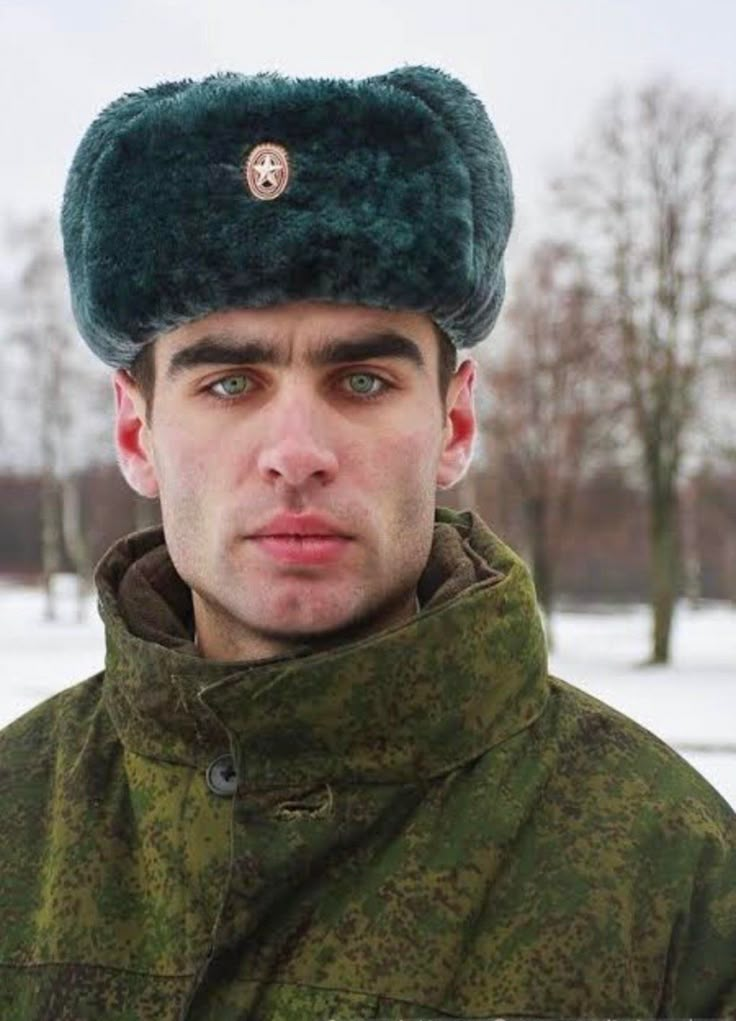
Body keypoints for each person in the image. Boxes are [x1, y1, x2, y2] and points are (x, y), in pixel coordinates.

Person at [0, 67, 734, 1021]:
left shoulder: (675, 876)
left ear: (455, 424)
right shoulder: (17, 821)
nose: (296, 455)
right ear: (138, 433)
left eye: (361, 382)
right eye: (229, 384)